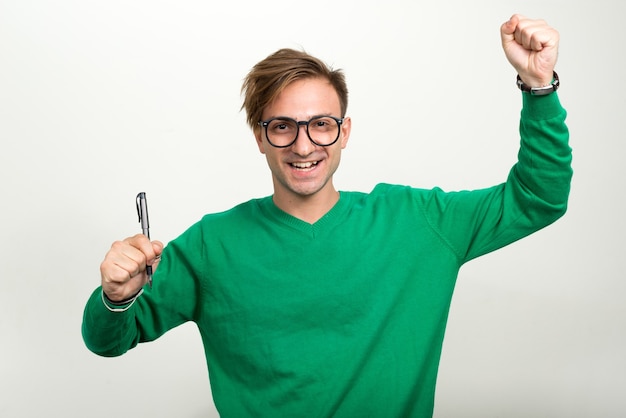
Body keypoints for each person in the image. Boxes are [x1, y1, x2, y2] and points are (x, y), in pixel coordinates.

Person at [82, 14, 572, 417]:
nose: (303, 145)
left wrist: (538, 87)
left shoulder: (417, 221)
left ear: (344, 131)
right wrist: (115, 297)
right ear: (259, 136)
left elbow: (537, 198)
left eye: (320, 124)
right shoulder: (213, 244)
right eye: (282, 127)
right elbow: (108, 340)